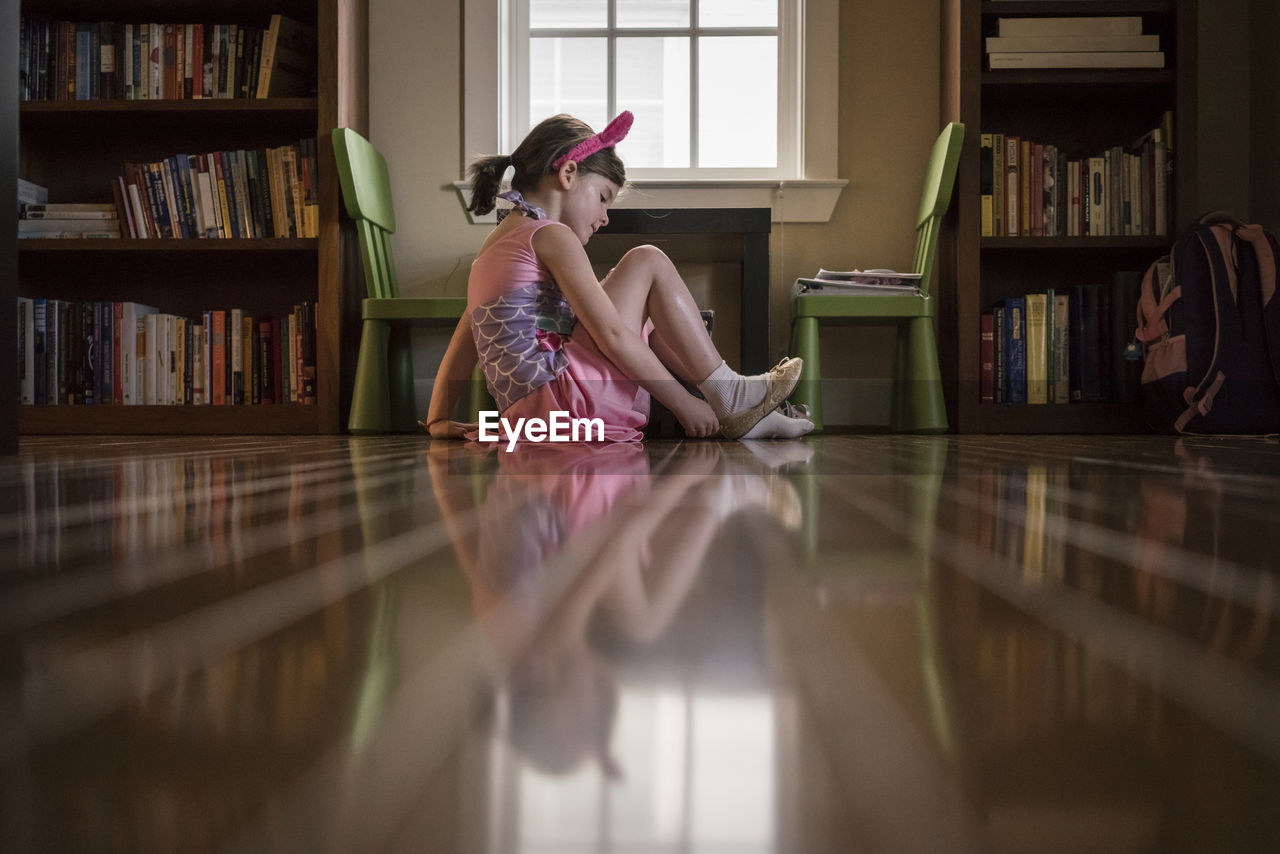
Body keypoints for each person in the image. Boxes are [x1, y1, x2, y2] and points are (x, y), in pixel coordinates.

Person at [424, 110, 814, 443]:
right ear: (569, 174)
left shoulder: (494, 248)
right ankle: (730, 396)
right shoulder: (551, 236)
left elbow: (467, 337)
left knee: (651, 320)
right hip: (569, 404)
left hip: (535, 417)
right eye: (603, 197)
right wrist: (682, 404)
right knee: (647, 261)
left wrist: (438, 417)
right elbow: (611, 336)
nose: (605, 217)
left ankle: (742, 411)